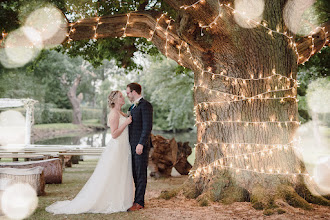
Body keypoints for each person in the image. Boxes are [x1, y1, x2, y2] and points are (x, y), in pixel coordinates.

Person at [46, 91, 134, 214]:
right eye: (120, 96)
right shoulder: (114, 114)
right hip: (117, 147)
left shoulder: (120, 112)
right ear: (114, 100)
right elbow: (114, 134)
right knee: (112, 174)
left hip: (124, 147)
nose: (123, 97)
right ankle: (109, 201)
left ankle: (121, 199)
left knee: (121, 173)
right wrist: (126, 123)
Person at [126, 83, 153, 211]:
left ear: (134, 92)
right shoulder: (132, 106)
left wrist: (141, 143)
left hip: (140, 146)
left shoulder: (146, 105)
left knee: (141, 174)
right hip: (131, 145)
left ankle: (139, 203)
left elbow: (147, 127)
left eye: (128, 92)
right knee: (135, 174)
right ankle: (136, 199)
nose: (127, 95)